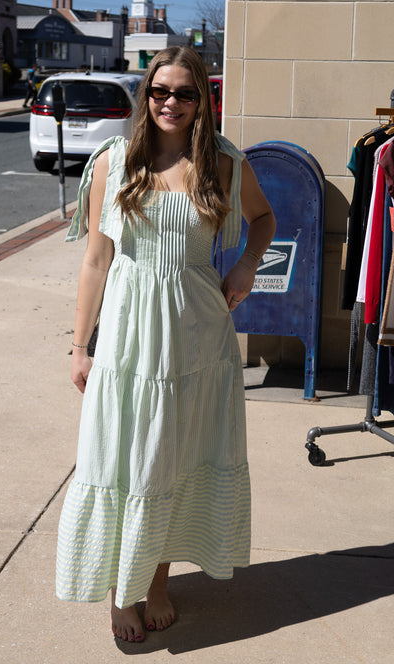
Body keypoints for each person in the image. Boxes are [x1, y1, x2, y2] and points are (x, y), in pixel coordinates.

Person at [56, 46, 276, 643]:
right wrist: (80, 347)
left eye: (184, 93)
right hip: (129, 340)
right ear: (144, 96)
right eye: (159, 92)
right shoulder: (113, 160)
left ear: (203, 98)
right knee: (125, 457)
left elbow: (264, 220)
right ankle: (121, 592)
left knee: (173, 459)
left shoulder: (223, 161)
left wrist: (246, 268)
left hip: (197, 339)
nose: (170, 103)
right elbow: (96, 261)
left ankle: (156, 582)